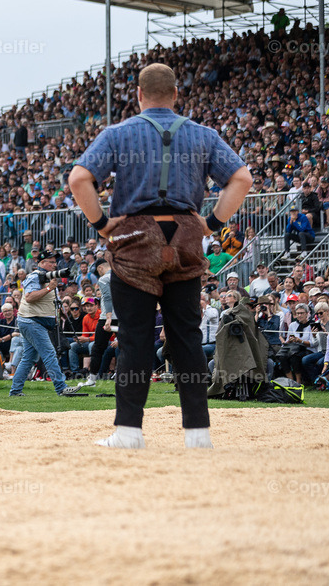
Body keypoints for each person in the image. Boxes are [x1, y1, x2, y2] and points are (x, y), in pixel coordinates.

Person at [70, 62, 251, 449]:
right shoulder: (203, 135)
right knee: (186, 337)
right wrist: (212, 223)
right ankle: (198, 435)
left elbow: (79, 178)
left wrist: (102, 225)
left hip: (135, 235)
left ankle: (130, 432)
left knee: (134, 337)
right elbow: (242, 178)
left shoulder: (118, 133)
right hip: (185, 234)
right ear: (175, 94)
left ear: (138, 94)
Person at [8, 251, 79, 397]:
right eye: (50, 262)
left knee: (28, 358)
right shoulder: (34, 276)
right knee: (49, 354)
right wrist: (49, 288)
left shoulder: (48, 277)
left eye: (55, 262)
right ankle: (61, 387)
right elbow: (29, 297)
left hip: (32, 320)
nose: (54, 265)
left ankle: (15, 391)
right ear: (40, 263)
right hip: (32, 321)